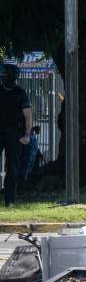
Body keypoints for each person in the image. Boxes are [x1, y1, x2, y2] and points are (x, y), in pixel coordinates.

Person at [0, 64, 32, 206]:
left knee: (12, 167)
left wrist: (27, 135)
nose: (2, 76)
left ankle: (10, 200)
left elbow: (28, 116)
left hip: (14, 134)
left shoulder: (20, 93)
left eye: (4, 73)